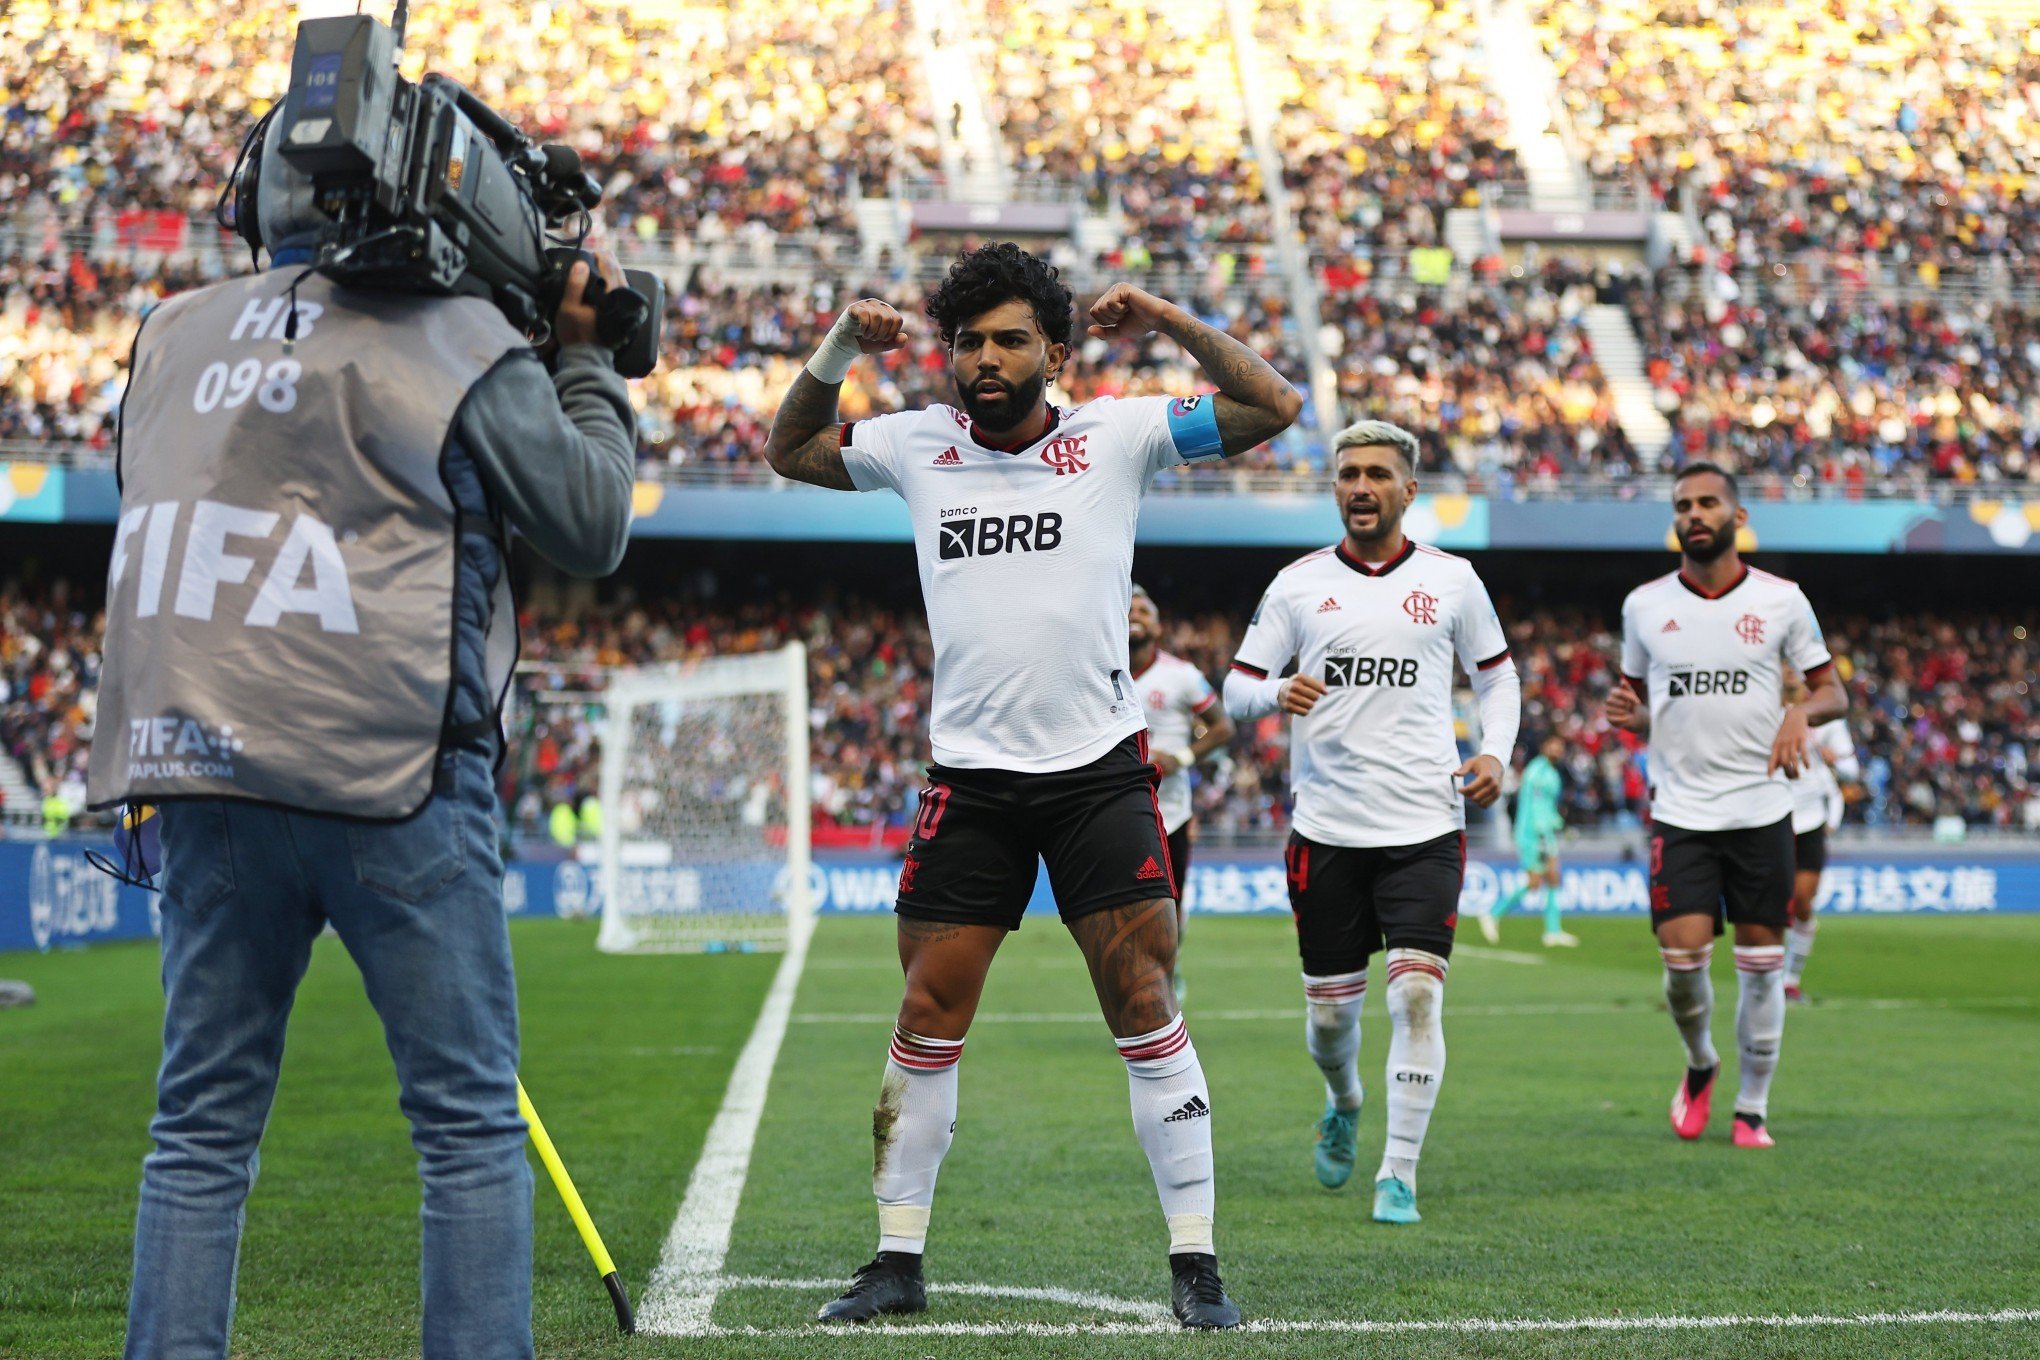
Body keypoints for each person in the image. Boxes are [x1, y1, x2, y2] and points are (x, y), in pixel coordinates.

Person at [90, 125, 637, 1360]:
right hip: (393, 772)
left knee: (198, 1130)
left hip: (208, 768)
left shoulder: (171, 333)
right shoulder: (457, 340)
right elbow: (594, 520)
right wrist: (587, 359)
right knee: (466, 1126)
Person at [762, 241, 1302, 1328]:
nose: (987, 359)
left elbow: (1273, 402)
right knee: (927, 1009)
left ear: (1056, 351)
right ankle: (896, 1260)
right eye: (969, 342)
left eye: (1011, 339)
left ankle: (1196, 1262)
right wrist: (835, 348)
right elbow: (791, 449)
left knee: (1145, 1004)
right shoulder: (916, 443)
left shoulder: (1121, 432)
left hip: (1097, 774)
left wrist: (1159, 311)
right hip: (968, 780)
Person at [1222, 420, 1520, 1226]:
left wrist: (1496, 752)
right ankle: (1344, 1097)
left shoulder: (1454, 581)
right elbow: (1236, 687)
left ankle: (1400, 1173)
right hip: (1325, 832)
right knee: (1330, 1019)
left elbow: (1498, 679)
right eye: (1348, 473)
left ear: (1408, 490)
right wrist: (1272, 693)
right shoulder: (1297, 584)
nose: (1360, 486)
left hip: (1425, 823)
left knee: (1417, 1000)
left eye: (1377, 474)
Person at [1605, 463, 1845, 1150]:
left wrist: (1801, 711)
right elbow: (1641, 710)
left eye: (1709, 502)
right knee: (1681, 966)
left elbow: (1834, 693)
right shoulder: (1644, 606)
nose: (1695, 513)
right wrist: (1630, 713)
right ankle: (1702, 1061)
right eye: (1684, 505)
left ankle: (1753, 1107)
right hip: (1680, 811)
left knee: (1762, 964)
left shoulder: (1782, 600)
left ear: (1737, 518)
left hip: (1762, 811)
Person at [1128, 585, 1236, 997]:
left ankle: (1162, 981)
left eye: (1143, 608)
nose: (1134, 613)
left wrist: (1182, 758)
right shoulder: (1100, 671)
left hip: (1168, 812)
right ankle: (1136, 980)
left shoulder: (1182, 675)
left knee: (1169, 906)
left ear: (1158, 625)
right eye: (1127, 608)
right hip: (1112, 808)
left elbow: (1223, 726)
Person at [1780, 666, 1859, 1002]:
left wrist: (1832, 761)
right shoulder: (1759, 712)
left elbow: (1850, 769)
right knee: (1769, 902)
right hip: (1771, 815)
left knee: (1802, 900)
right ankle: (1766, 972)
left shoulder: (1826, 719)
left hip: (1810, 818)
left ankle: (1789, 977)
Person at [1479, 732, 1575, 946]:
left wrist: (1559, 825)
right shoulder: (1537, 772)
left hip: (1545, 831)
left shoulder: (1551, 772)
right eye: (1554, 745)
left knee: (1552, 877)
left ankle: (1553, 931)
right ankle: (1493, 913)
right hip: (1533, 832)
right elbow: (1534, 806)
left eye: (1561, 746)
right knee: (1535, 882)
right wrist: (1543, 830)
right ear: (1544, 746)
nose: (1558, 750)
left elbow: (1548, 807)